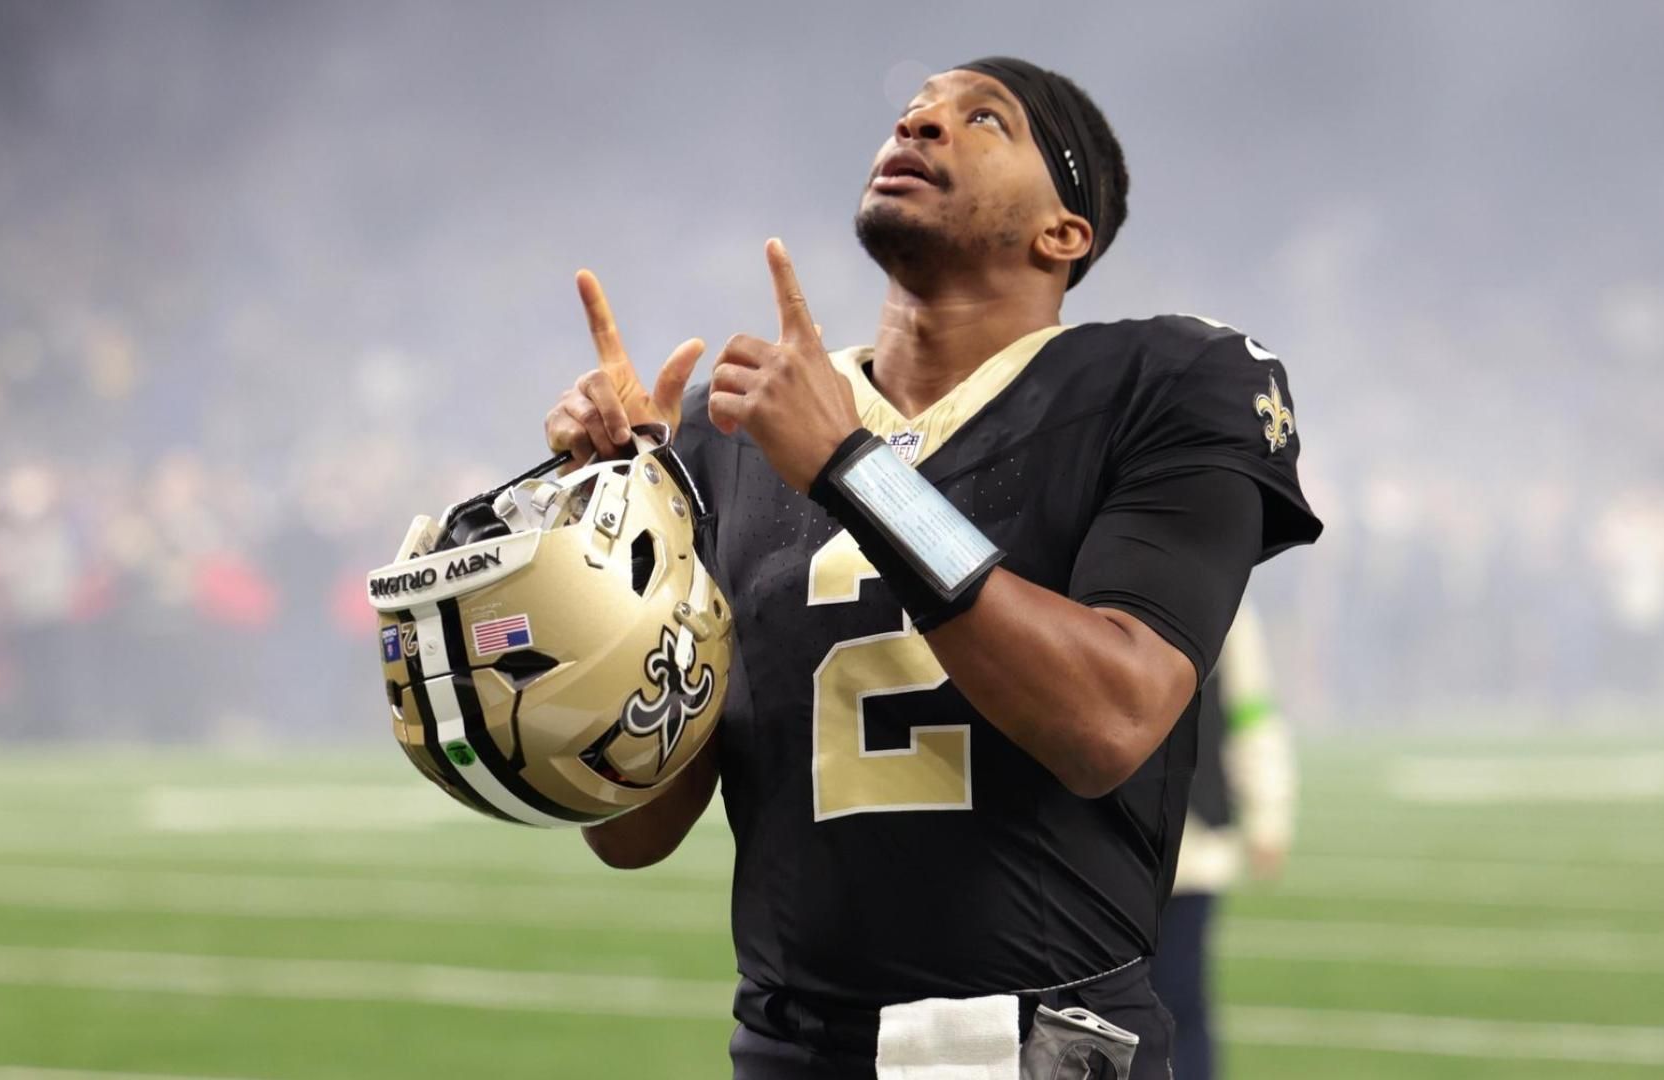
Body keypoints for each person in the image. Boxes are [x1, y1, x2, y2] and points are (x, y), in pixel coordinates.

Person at [544, 55, 1321, 1079]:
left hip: (1045, 1051)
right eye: (910, 117)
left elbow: (1111, 717)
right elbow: (634, 832)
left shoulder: (1165, 384)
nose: (919, 129)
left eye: (984, 120)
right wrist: (617, 539)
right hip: (790, 1052)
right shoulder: (734, 436)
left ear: (1064, 231)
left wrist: (849, 470)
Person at [1149, 603, 1297, 1080]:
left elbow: (1250, 709)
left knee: (1181, 1001)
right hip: (1105, 846)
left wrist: (1270, 812)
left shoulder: (1227, 598)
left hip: (1194, 846)